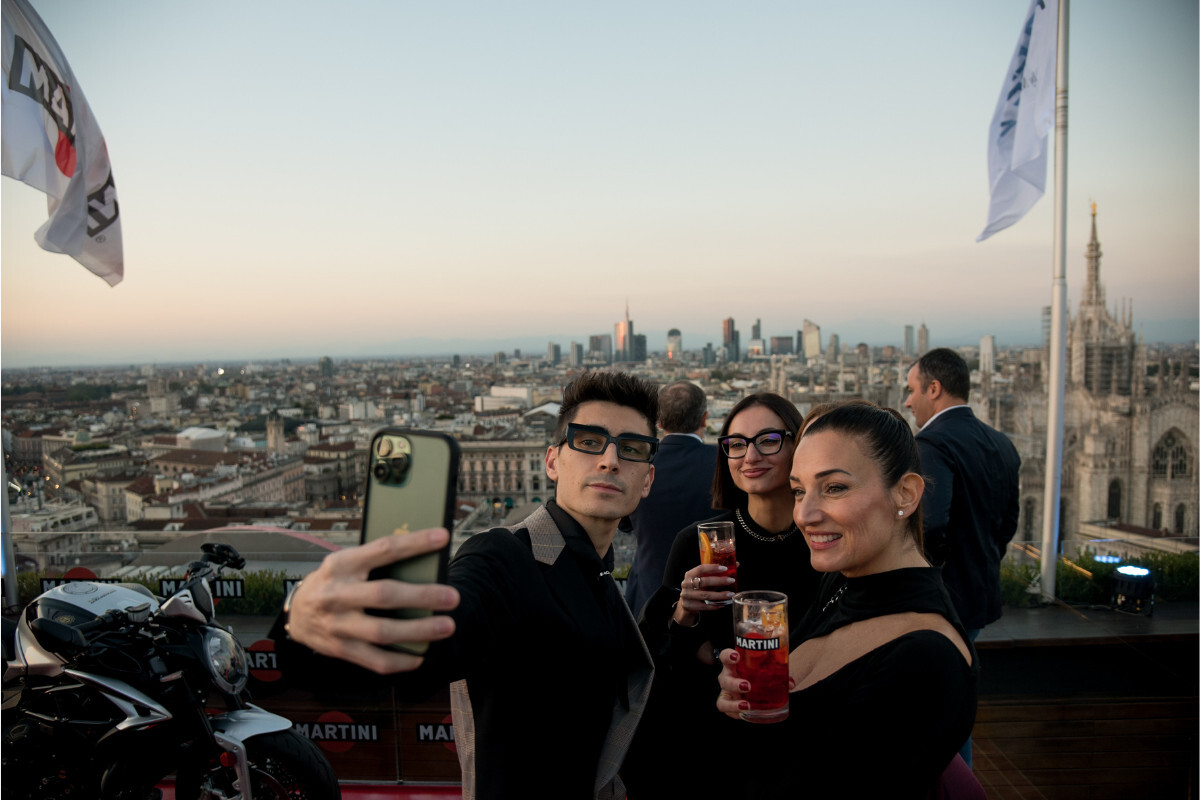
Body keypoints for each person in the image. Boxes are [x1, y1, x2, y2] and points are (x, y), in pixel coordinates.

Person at [284, 371, 660, 800]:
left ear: (646, 479)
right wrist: (311, 624)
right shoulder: (501, 557)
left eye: (631, 449)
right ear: (552, 461)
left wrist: (677, 615)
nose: (610, 460)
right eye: (589, 441)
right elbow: (437, 637)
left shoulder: (598, 571)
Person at [716, 403, 978, 798]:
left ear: (905, 494)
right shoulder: (841, 583)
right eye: (799, 491)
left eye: (834, 487)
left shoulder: (926, 658)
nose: (803, 514)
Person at [624, 392, 821, 797]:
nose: (750, 455)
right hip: (714, 748)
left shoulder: (824, 543)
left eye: (768, 440)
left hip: (807, 743)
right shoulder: (700, 543)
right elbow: (666, 663)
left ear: (798, 445)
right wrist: (684, 614)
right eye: (736, 444)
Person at [903, 347, 1021, 636]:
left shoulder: (932, 444)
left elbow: (928, 524)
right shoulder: (1001, 443)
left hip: (941, 601)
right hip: (981, 595)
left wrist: (915, 582)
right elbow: (1008, 523)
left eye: (911, 390)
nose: (907, 402)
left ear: (934, 389)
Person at [622, 380, 718, 619]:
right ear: (704, 419)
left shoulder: (640, 464)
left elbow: (624, 522)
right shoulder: (723, 465)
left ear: (659, 422)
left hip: (648, 594)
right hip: (710, 597)